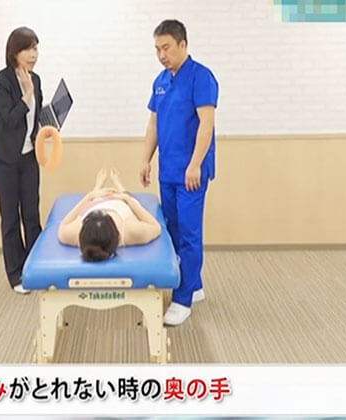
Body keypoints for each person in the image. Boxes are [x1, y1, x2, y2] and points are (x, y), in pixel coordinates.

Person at [140, 19, 218, 325]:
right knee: (172, 230)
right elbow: (153, 124)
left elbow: (206, 124)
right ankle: (193, 285)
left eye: (167, 48)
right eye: (157, 49)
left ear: (182, 44)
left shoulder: (201, 77)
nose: (162, 55)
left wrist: (195, 164)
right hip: (168, 170)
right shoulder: (160, 81)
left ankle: (182, 300)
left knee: (189, 233)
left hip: (191, 173)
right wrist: (146, 159)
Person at [0, 27, 44, 294]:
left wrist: (50, 123)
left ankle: (36, 267)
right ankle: (16, 274)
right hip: (4, 159)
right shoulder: (1, 82)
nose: (33, 54)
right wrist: (27, 94)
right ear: (14, 53)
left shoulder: (37, 79)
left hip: (29, 156)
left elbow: (35, 118)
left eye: (36, 48)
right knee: (10, 217)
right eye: (28, 49)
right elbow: (10, 119)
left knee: (31, 214)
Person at [58, 168, 161, 261]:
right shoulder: (131, 231)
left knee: (99, 196)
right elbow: (155, 226)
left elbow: (63, 225)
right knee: (131, 199)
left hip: (94, 203)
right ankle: (120, 188)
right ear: (118, 236)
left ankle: (97, 189)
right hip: (121, 203)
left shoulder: (75, 232)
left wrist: (89, 196)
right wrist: (128, 200)